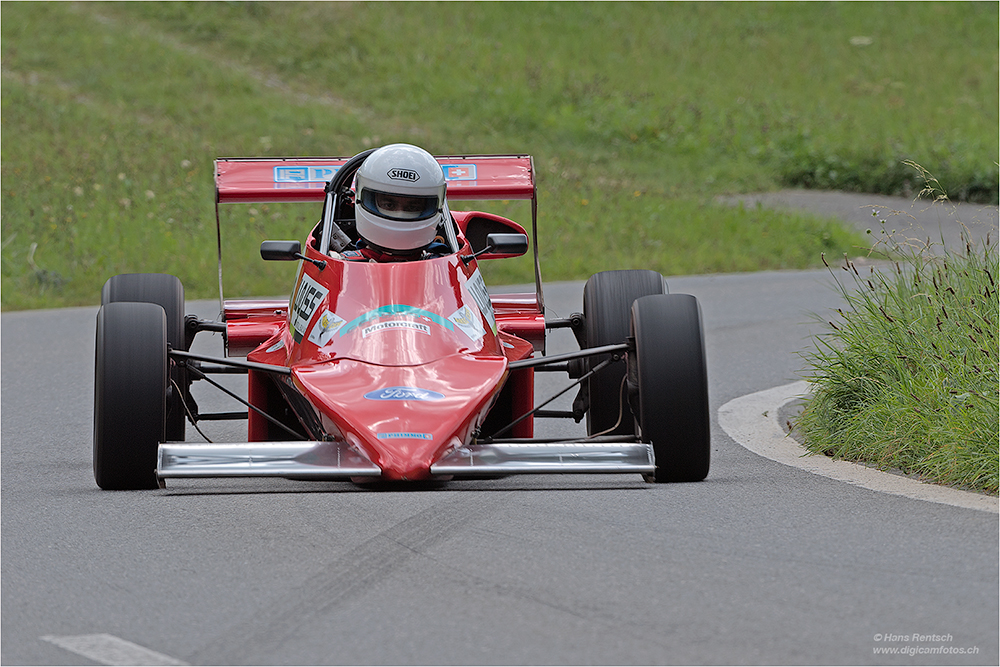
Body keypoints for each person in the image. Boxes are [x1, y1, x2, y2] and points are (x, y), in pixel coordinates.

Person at [340, 143, 454, 262]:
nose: (400, 213)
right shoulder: (341, 261)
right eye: (389, 205)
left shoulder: (444, 261)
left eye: (412, 207)